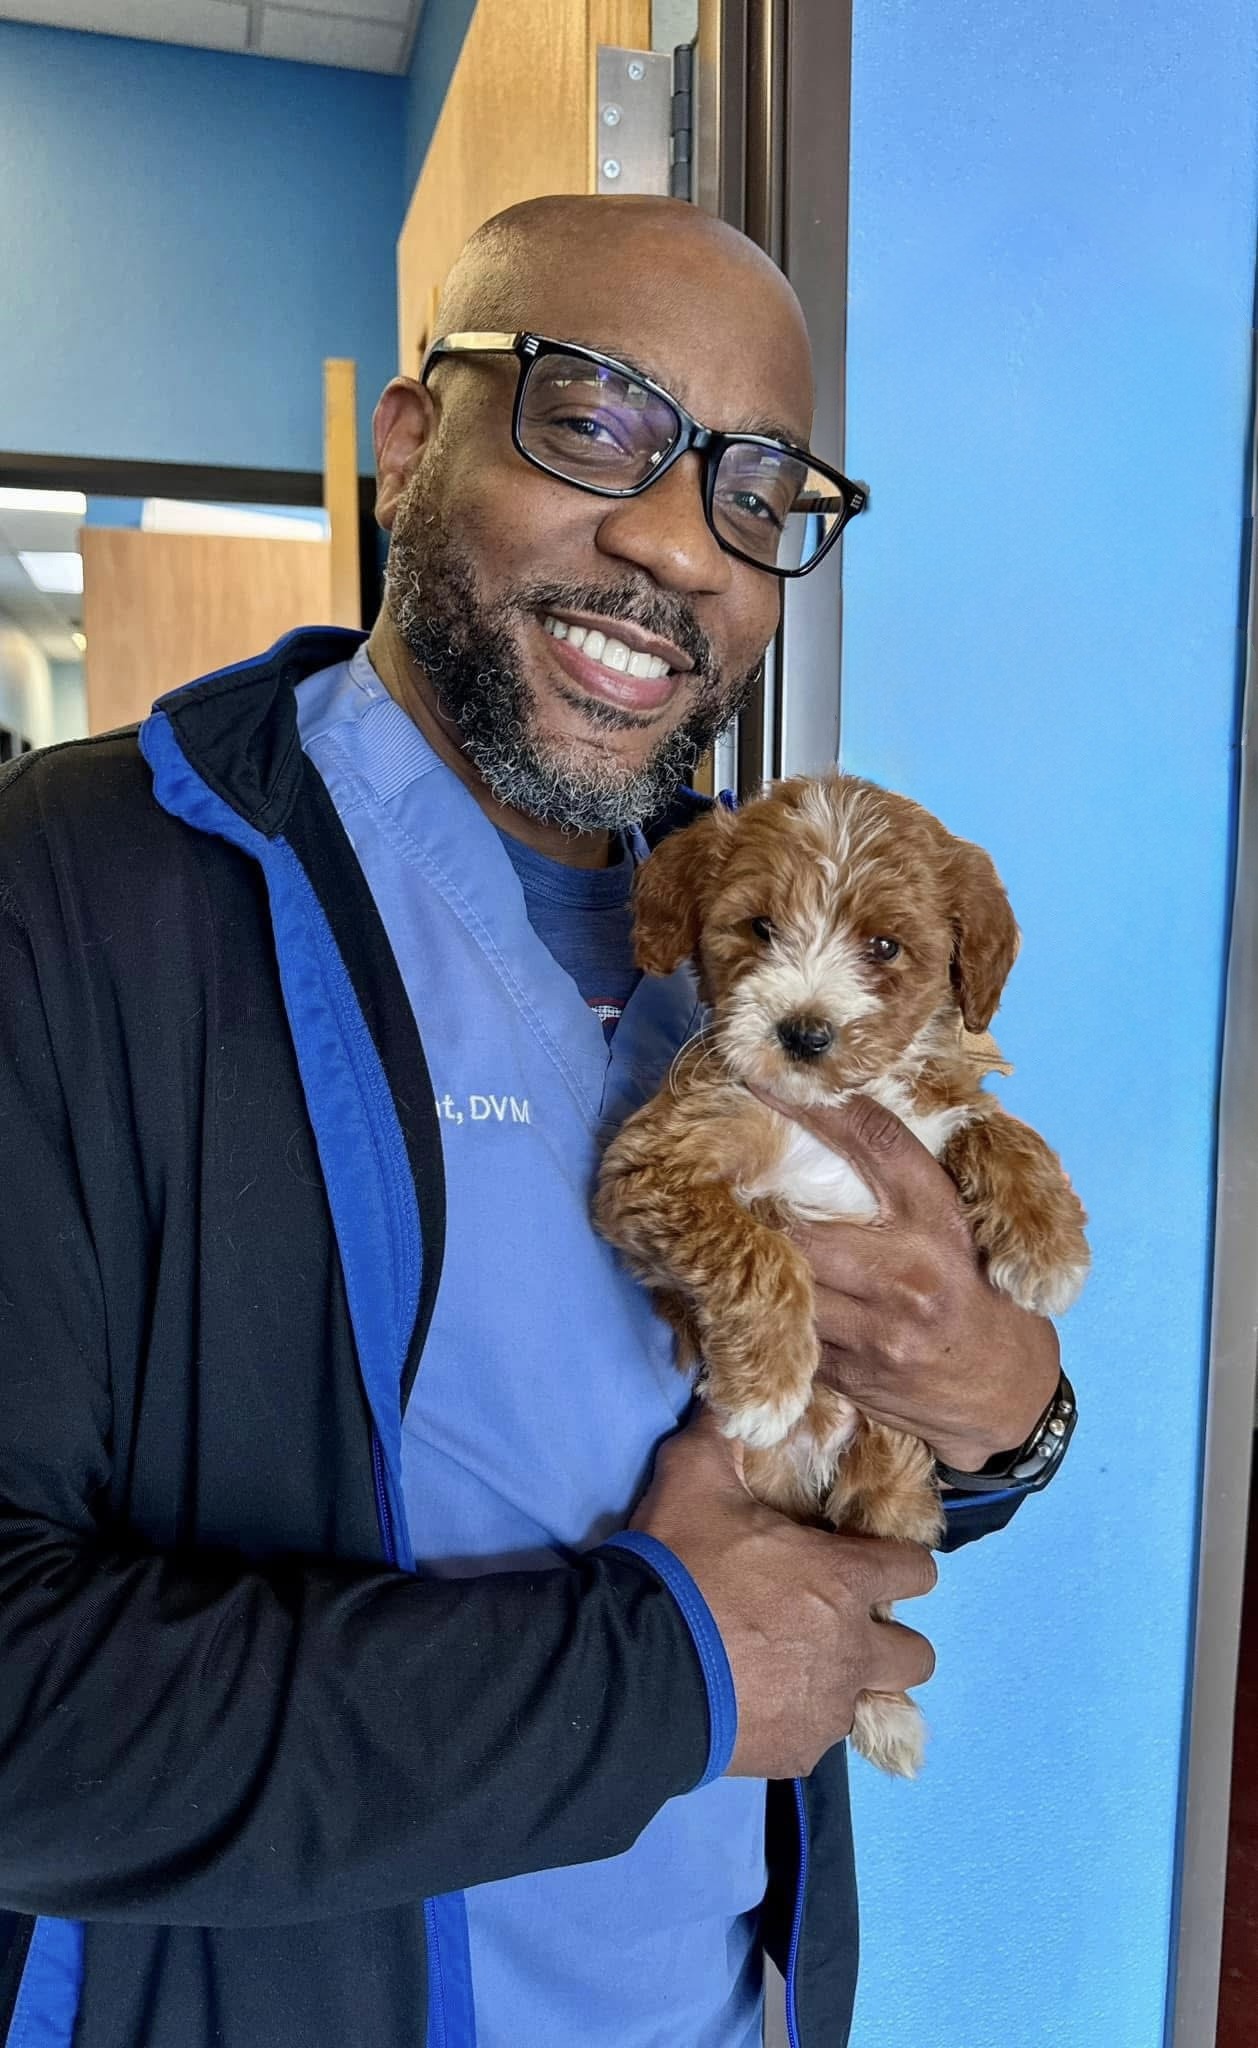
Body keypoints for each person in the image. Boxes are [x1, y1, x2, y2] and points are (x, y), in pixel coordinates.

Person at [0, 196, 1067, 2048]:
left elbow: (778, 1450)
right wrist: (659, 1674)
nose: (674, 544)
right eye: (592, 418)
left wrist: (1004, 1422)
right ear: (409, 441)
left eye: (756, 494)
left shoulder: (723, 921)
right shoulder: (74, 899)